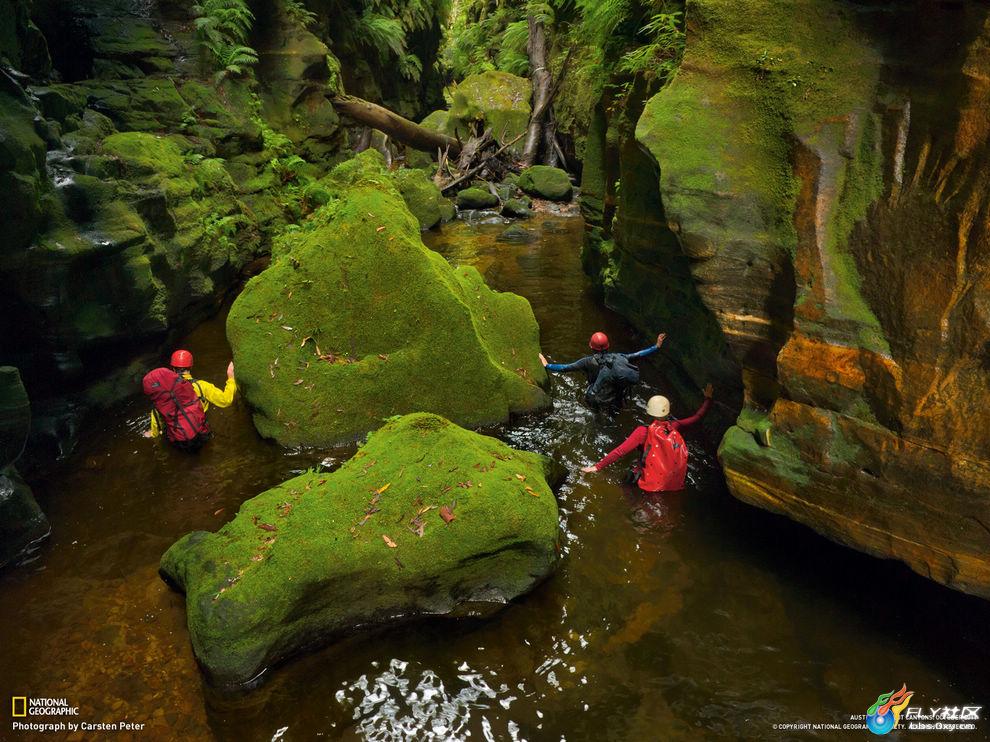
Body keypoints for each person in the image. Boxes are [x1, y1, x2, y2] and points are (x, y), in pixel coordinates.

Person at [581, 384, 713, 492]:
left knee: (626, 484)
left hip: (649, 482)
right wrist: (708, 399)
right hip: (671, 482)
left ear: (648, 411)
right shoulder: (675, 426)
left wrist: (596, 467)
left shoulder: (643, 432)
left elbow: (620, 451)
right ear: (667, 411)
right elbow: (697, 417)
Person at [539, 332, 666, 408]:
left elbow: (565, 368)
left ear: (591, 347)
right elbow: (638, 354)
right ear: (607, 346)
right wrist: (656, 346)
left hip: (598, 395)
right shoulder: (619, 357)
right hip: (616, 395)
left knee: (593, 406)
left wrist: (547, 365)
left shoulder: (587, 362)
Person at [142, 349, 236, 450]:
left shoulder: (162, 396)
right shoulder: (201, 386)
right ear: (191, 367)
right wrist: (231, 378)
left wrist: (152, 433)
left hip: (179, 440)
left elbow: (156, 421)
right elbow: (226, 400)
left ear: (172, 368)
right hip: (202, 432)